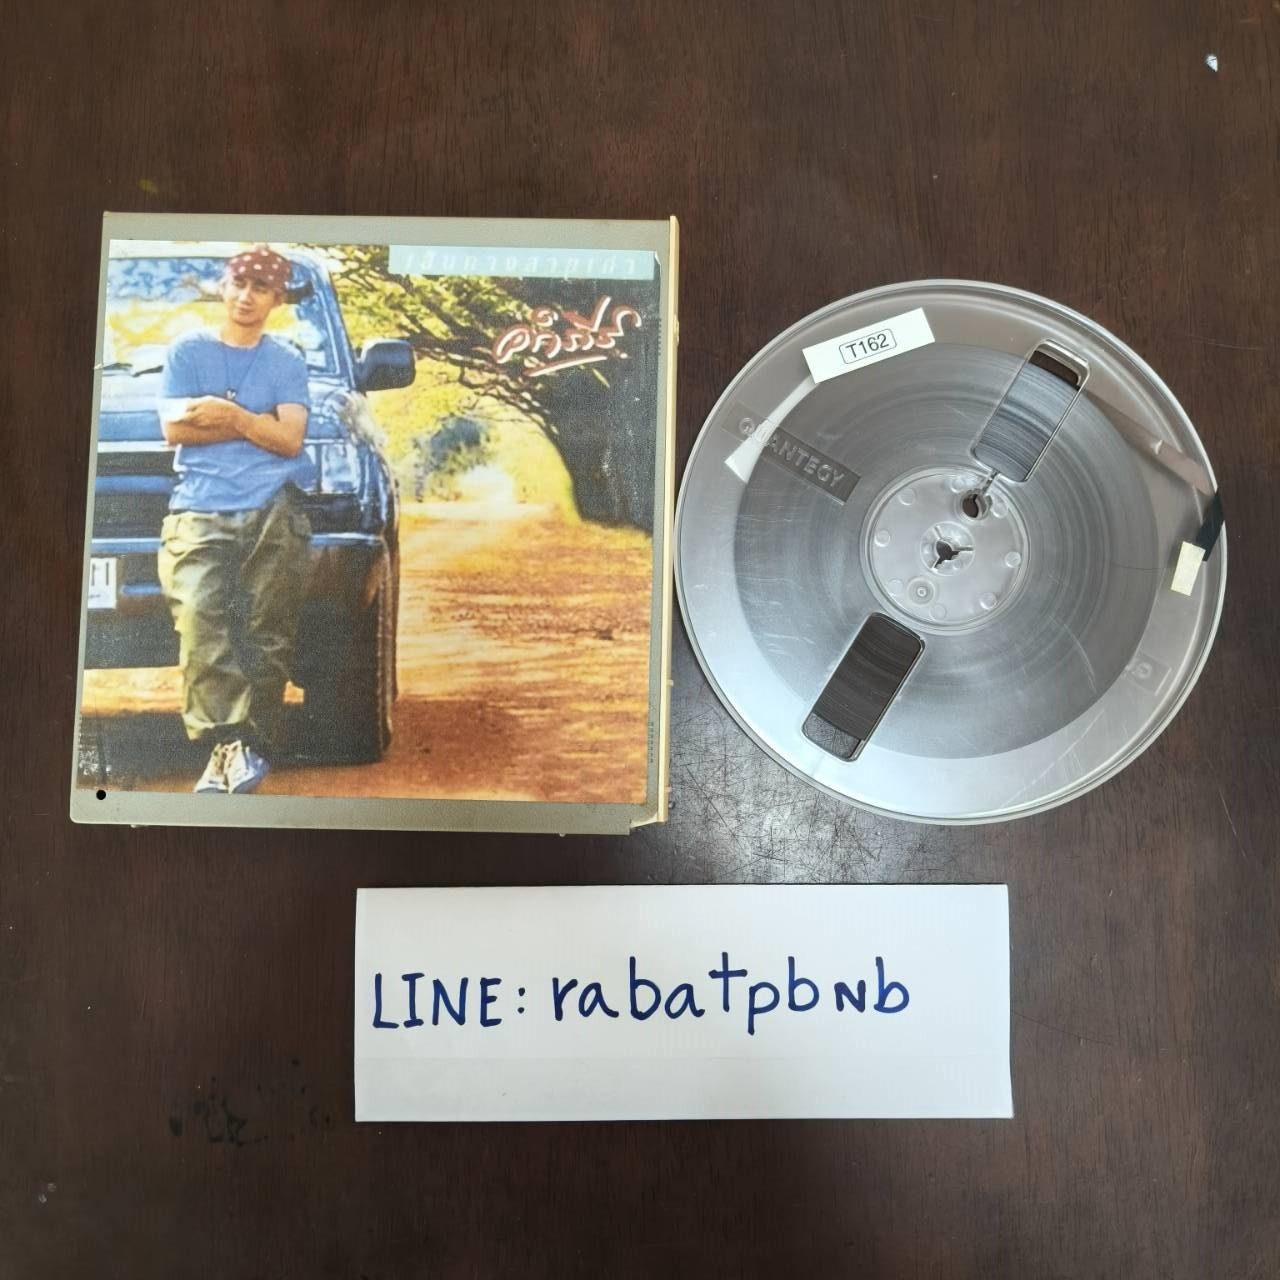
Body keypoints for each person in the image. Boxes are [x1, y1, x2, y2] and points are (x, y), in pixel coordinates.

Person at [157, 245, 314, 793]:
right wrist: (258, 423)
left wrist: (227, 414)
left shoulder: (286, 360)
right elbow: (174, 430)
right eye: (239, 284)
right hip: (198, 507)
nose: (246, 297)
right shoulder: (187, 351)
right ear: (223, 287)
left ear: (277, 299)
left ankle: (241, 752)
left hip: (272, 506)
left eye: (260, 288)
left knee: (267, 632)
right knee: (200, 620)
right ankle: (230, 744)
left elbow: (290, 440)